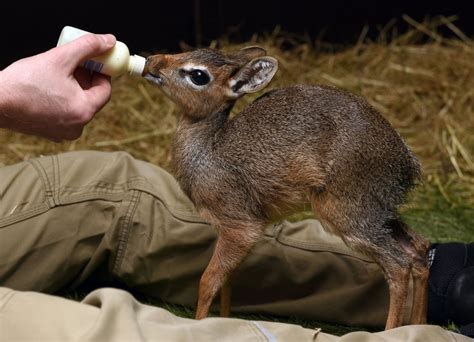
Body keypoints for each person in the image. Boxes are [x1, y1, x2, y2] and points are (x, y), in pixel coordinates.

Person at [0, 32, 472, 341]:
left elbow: (243, 230)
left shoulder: (219, 147)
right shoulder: (215, 149)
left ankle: (428, 285)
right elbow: (244, 229)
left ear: (236, 87)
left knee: (116, 190)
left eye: (195, 76)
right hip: (334, 149)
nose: (161, 66)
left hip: (347, 158)